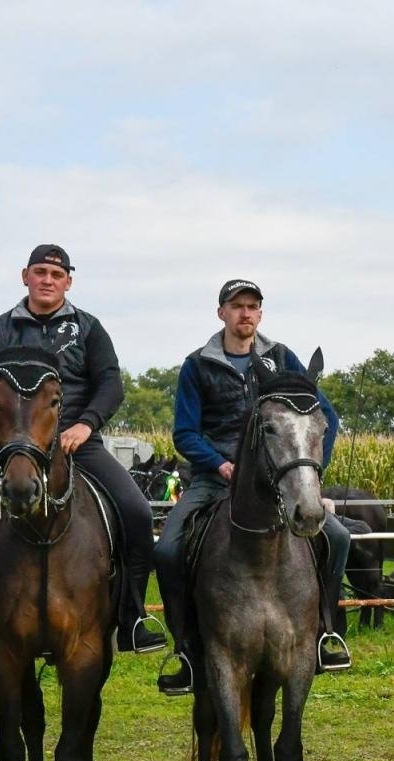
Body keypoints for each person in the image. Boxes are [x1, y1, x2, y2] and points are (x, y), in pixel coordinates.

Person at [0, 244, 165, 655]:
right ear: (25, 276)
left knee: (137, 512)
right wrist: (14, 430)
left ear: (68, 282)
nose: (47, 280)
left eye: (56, 275)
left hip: (80, 442)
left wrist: (86, 423)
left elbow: (110, 384)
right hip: (18, 444)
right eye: (40, 272)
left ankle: (132, 620)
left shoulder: (89, 328)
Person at [153, 279, 348, 695]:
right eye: (237, 306)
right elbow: (185, 434)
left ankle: (325, 633)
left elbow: (322, 416)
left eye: (253, 306)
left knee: (340, 538)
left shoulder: (282, 358)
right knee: (168, 549)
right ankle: (185, 649)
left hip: (278, 481)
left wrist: (309, 474)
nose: (246, 313)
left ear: (260, 313)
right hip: (214, 478)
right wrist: (221, 464)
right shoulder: (197, 366)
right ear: (221, 312)